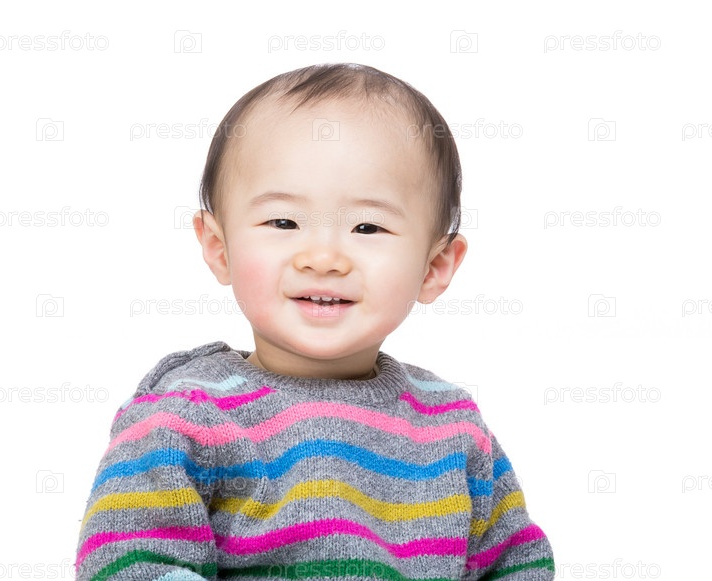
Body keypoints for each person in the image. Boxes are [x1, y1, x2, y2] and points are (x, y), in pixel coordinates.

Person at [75, 63, 555, 580]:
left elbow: (518, 565)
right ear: (218, 247)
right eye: (283, 222)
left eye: (367, 227)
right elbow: (128, 567)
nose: (323, 257)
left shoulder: (453, 426)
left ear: (434, 267)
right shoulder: (185, 418)